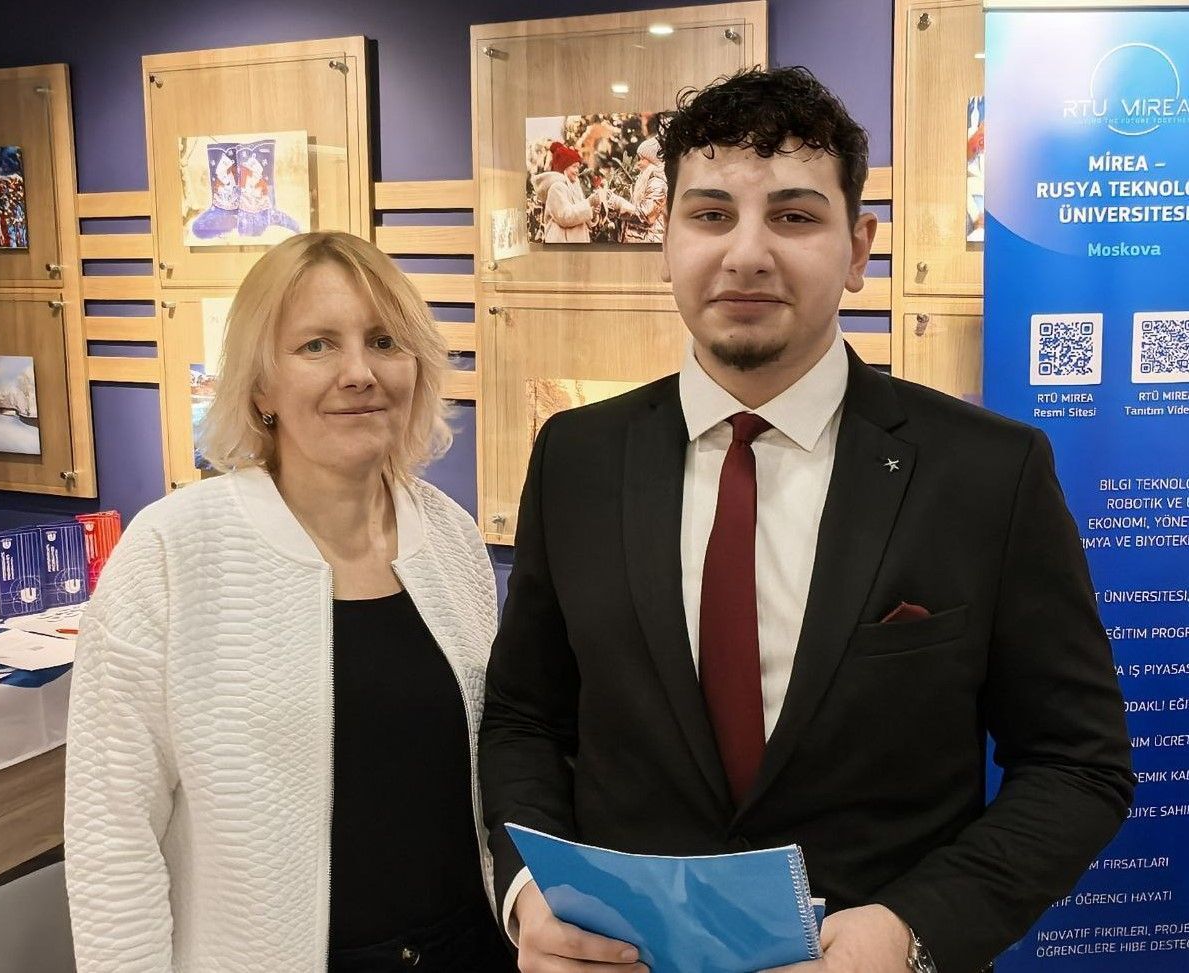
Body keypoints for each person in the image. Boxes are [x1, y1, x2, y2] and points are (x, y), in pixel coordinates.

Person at [479, 67, 1133, 973]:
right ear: (665, 240)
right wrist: (527, 893)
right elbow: (525, 717)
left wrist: (910, 932)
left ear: (858, 248)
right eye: (710, 214)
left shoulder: (988, 472)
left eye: (792, 216)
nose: (746, 253)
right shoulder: (576, 456)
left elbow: (1076, 764)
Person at [65, 231, 514, 973]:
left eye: (384, 342)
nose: (359, 373)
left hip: (469, 948)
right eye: (316, 345)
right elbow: (112, 835)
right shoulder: (174, 548)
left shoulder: (449, 535)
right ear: (260, 386)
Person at [532, 141, 601, 243]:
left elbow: (580, 216)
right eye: (574, 167)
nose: (577, 171)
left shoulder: (574, 188)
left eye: (578, 167)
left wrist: (593, 213)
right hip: (562, 243)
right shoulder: (556, 188)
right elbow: (565, 216)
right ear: (564, 167)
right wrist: (588, 203)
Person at [603, 136, 667, 243]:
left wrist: (618, 203)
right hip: (642, 239)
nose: (638, 164)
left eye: (642, 159)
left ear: (653, 160)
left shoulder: (657, 184)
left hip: (650, 241)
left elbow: (646, 216)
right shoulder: (647, 181)